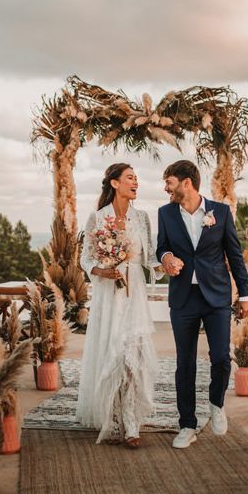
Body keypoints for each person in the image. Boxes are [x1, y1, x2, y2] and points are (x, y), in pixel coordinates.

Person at [157, 160, 248, 449]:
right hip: (183, 297)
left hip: (217, 297)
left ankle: (216, 403)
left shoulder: (220, 212)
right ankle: (187, 425)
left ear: (187, 183)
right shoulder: (165, 213)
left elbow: (234, 255)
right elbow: (161, 246)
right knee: (184, 363)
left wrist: (245, 295)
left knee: (222, 357)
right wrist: (166, 259)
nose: (166, 188)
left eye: (169, 182)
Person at [77, 163, 162, 447]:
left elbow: (150, 257)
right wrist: (101, 271)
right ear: (115, 183)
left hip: (134, 292)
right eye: (130, 178)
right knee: (111, 351)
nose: (135, 181)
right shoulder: (98, 218)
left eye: (137, 178)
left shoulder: (142, 218)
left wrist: (166, 266)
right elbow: (85, 259)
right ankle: (111, 417)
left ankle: (131, 421)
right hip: (108, 294)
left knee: (133, 356)